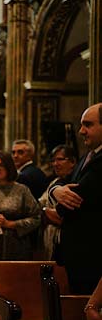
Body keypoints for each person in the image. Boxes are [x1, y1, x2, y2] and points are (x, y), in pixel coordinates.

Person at [50, 103, 102, 294]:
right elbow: (63, 184)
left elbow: (68, 204)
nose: (81, 131)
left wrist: (59, 195)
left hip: (92, 254)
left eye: (88, 125)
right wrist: (55, 190)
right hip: (78, 257)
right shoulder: (88, 156)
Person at [37, 145, 77, 261]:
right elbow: (39, 206)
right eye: (53, 160)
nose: (55, 164)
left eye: (59, 159)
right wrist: (45, 211)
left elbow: (61, 217)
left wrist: (47, 212)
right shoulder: (54, 182)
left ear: (73, 161)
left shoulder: (76, 181)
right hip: (50, 237)